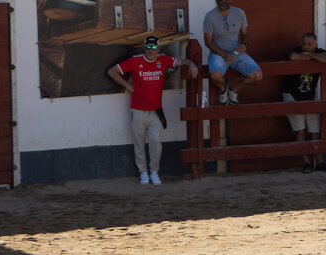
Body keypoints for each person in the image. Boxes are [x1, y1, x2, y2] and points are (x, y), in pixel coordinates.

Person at [107, 36, 198, 186]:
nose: (151, 51)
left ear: (158, 48)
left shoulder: (163, 60)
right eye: (148, 47)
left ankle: (154, 171)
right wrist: (128, 86)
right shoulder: (135, 61)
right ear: (144, 48)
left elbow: (181, 62)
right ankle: (143, 172)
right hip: (137, 110)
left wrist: (192, 63)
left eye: (153, 47)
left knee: (156, 142)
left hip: (156, 111)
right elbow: (112, 71)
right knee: (139, 142)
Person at [285, 33, 326, 174]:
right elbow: (293, 57)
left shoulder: (320, 52)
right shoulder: (297, 50)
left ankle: (319, 163)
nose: (305, 47)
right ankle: (306, 163)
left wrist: (310, 56)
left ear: (315, 45)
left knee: (315, 132)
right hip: (292, 96)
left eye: (309, 45)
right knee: (300, 132)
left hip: (310, 97)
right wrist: (313, 57)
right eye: (304, 44)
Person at [202, 0, 262, 106]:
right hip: (218, 53)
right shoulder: (210, 16)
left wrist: (244, 44)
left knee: (257, 76)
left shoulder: (239, 13)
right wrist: (224, 55)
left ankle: (233, 90)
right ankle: (223, 90)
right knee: (215, 76)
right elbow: (208, 42)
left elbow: (245, 34)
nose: (223, 1)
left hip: (236, 52)